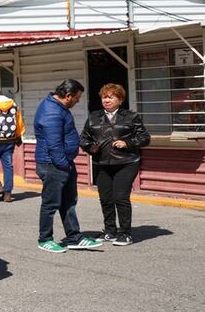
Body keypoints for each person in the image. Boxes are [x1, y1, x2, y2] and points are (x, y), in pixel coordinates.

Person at [33, 79, 101, 252]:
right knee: (51, 203)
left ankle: (74, 237)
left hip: (62, 163)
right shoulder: (52, 111)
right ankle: (45, 239)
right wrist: (63, 164)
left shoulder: (58, 108)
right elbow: (54, 144)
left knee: (69, 202)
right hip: (53, 164)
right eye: (77, 98)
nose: (78, 101)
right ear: (68, 95)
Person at [79, 83, 151, 246]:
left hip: (126, 163)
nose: (106, 100)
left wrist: (127, 143)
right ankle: (110, 231)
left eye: (111, 97)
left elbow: (145, 137)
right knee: (105, 198)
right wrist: (90, 147)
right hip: (102, 163)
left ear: (120, 99)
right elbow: (83, 138)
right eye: (104, 97)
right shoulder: (93, 117)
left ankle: (125, 233)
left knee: (120, 197)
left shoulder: (131, 117)